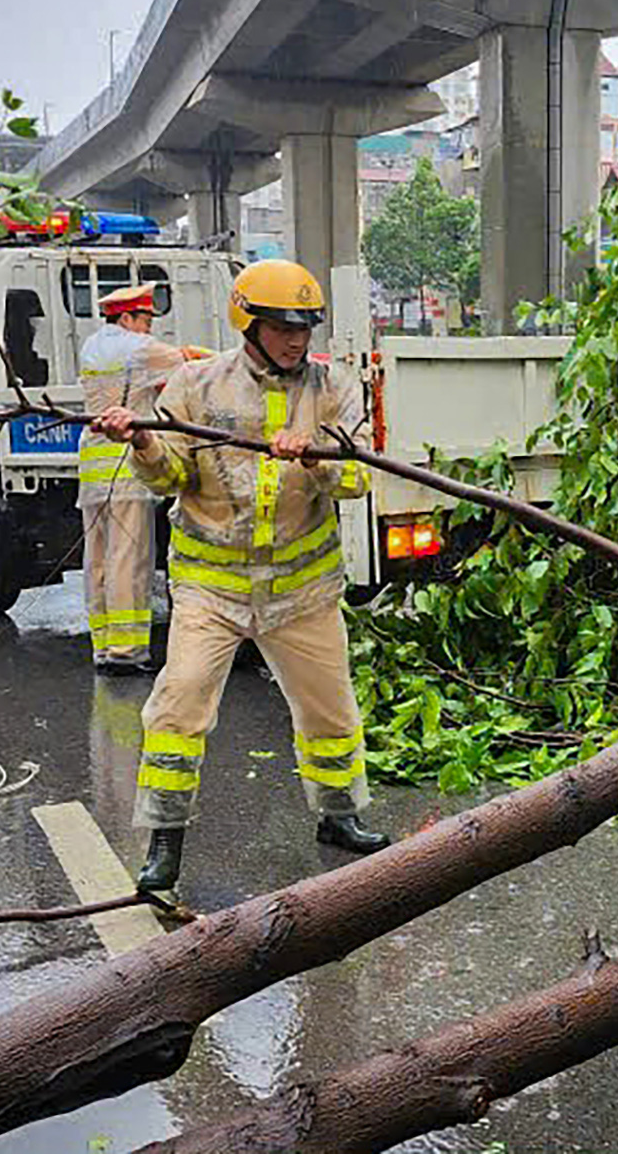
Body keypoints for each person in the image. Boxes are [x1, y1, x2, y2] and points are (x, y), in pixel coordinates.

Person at [93, 258, 384, 893]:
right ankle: (164, 843)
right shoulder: (199, 386)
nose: (297, 339)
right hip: (212, 589)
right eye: (283, 326)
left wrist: (317, 459)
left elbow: (361, 478)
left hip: (303, 589)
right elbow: (170, 475)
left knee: (331, 711)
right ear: (248, 323)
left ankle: (339, 816)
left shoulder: (332, 389)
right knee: (177, 710)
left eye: (306, 326)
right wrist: (140, 442)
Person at [76, 283, 189, 674]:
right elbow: (188, 361)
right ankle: (127, 653)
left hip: (92, 467)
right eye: (145, 320)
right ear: (126, 318)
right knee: (129, 560)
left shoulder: (92, 346)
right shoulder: (137, 347)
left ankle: (103, 647)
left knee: (99, 562)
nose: (149, 328)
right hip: (125, 467)